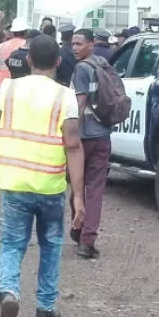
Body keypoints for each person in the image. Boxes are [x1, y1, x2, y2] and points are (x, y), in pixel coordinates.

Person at [0, 34, 85, 317]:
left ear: (27, 61)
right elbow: (74, 145)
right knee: (51, 245)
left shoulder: (8, 89)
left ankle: (10, 292)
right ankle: (45, 309)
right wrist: (78, 195)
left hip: (14, 181)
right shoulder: (65, 96)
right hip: (51, 184)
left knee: (12, 245)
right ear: (57, 62)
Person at [69, 28, 113, 259]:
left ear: (90, 44)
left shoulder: (82, 69)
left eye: (78, 44)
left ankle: (80, 231)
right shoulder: (103, 64)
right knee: (94, 190)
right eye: (72, 44)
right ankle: (87, 239)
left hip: (83, 138)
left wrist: (70, 133)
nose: (74, 48)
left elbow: (80, 102)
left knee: (77, 186)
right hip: (103, 135)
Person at [0, 17, 29, 87]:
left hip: (3, 86)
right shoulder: (27, 46)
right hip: (21, 87)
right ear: (26, 32)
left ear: (12, 32)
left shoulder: (1, 46)